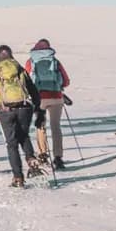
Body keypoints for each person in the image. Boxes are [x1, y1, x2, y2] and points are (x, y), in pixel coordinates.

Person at [0, 43, 45, 185]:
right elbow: (32, 88)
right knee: (24, 135)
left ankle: (18, 177)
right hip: (24, 107)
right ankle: (31, 158)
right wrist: (38, 107)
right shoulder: (19, 69)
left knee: (11, 144)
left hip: (6, 110)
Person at [27, 38, 72, 168]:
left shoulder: (31, 61)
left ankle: (42, 154)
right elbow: (66, 81)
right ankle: (58, 157)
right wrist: (58, 86)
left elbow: (27, 80)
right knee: (56, 127)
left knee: (40, 126)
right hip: (56, 96)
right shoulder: (55, 61)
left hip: (39, 98)